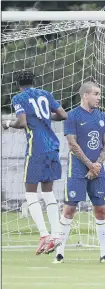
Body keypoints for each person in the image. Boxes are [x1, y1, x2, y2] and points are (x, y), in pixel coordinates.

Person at [2, 70, 68, 255]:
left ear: (18, 84)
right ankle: (56, 235)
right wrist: (46, 118)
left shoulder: (19, 97)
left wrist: (7, 124)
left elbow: (22, 122)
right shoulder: (45, 94)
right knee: (48, 192)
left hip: (36, 148)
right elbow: (63, 115)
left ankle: (44, 235)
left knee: (30, 193)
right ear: (34, 81)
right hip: (53, 147)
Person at [54, 81, 105, 263]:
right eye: (95, 93)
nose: (99, 97)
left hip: (97, 170)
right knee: (70, 209)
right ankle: (59, 252)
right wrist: (90, 165)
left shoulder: (103, 117)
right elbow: (72, 144)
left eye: (99, 93)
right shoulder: (72, 116)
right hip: (78, 170)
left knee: (101, 209)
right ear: (85, 95)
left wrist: (98, 164)